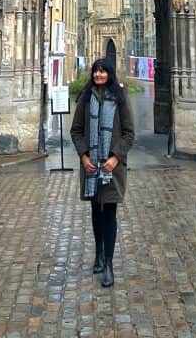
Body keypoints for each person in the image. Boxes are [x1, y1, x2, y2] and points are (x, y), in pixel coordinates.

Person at [70, 57, 135, 288]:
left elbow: (129, 133)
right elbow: (76, 130)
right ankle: (98, 254)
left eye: (103, 71)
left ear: (109, 73)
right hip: (91, 166)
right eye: (96, 71)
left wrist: (115, 157)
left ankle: (108, 263)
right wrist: (84, 156)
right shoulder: (86, 97)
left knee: (109, 213)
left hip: (112, 168)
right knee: (96, 212)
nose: (99, 75)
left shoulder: (120, 96)